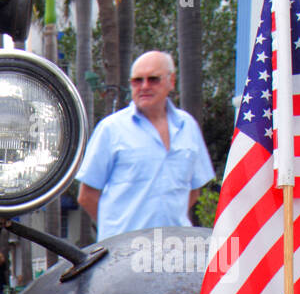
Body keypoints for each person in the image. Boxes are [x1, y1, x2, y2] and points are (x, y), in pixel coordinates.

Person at [76, 51, 215, 240]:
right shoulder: (111, 129)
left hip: (174, 249)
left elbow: (194, 189)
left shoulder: (188, 126)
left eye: (153, 79)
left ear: (171, 81)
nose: (144, 86)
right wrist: (117, 232)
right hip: (124, 254)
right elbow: (86, 196)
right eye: (137, 80)